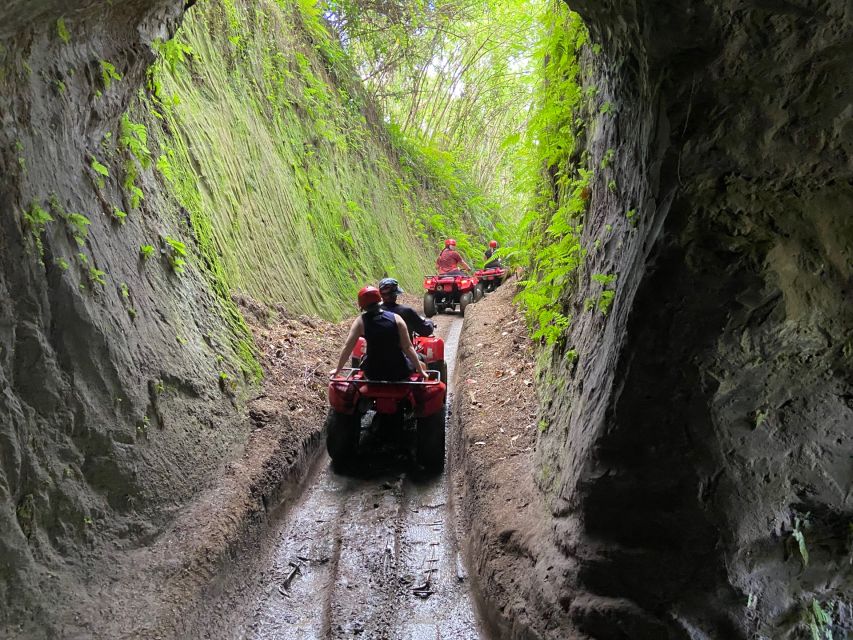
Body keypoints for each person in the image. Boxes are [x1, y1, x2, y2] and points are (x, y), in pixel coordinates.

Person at [333, 286, 428, 380]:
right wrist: (420, 370)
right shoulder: (397, 318)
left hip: (372, 373)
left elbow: (348, 347)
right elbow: (407, 347)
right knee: (422, 363)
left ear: (362, 305)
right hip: (399, 371)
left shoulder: (360, 322)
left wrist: (338, 369)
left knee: (363, 361)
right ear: (379, 300)